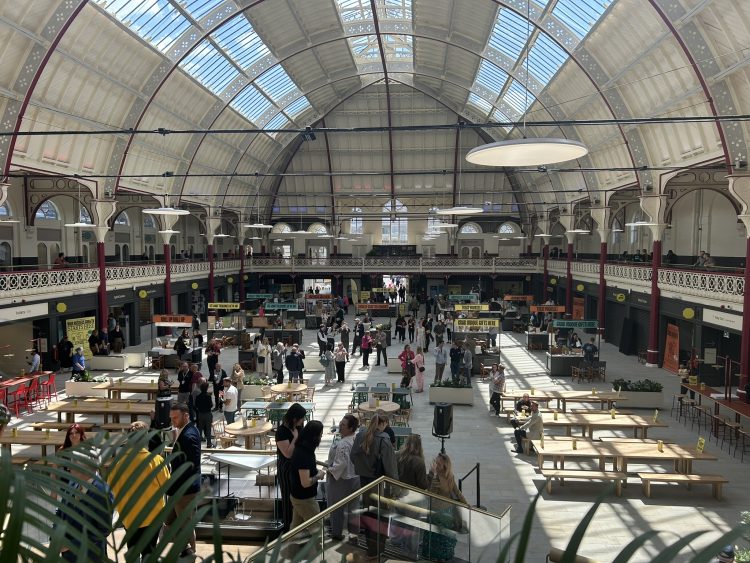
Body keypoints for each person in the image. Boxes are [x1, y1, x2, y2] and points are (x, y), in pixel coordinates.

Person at [109, 421, 171, 561]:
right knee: (149, 551)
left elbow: (112, 488)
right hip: (152, 516)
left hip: (129, 517)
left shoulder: (118, 464)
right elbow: (166, 485)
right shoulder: (155, 460)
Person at [350, 414, 399, 560]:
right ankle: (377, 549)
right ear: (382, 423)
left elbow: (353, 457)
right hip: (379, 484)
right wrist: (396, 489)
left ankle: (370, 548)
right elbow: (391, 467)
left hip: (364, 482)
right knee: (380, 516)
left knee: (367, 513)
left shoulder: (360, 435)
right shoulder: (384, 439)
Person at [57, 449, 114, 561]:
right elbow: (61, 510)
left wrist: (70, 544)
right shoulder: (73, 482)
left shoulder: (103, 494)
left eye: (72, 465)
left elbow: (102, 531)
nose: (68, 468)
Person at [165, 402, 201, 557]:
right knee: (169, 521)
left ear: (186, 416)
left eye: (176, 418)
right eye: (171, 418)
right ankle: (184, 550)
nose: (173, 421)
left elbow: (191, 465)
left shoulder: (189, 435)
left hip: (184, 491)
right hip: (177, 489)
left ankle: (189, 556)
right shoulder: (185, 430)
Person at [421, 452, 468, 561]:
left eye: (438, 463)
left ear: (444, 466)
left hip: (439, 512)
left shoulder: (441, 478)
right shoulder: (448, 476)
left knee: (437, 536)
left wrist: (467, 504)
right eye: (435, 462)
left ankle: (436, 556)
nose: (435, 465)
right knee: (442, 536)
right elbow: (456, 492)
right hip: (444, 512)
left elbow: (430, 494)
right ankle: (440, 557)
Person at [325, 414, 360, 541]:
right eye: (340, 423)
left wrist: (329, 470)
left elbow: (341, 464)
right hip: (356, 478)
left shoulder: (343, 444)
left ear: (350, 428)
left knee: (337, 509)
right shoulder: (356, 438)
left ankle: (337, 533)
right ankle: (354, 535)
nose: (340, 426)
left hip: (343, 480)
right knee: (354, 509)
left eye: (343, 425)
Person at [276, 403, 307, 532]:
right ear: (295, 418)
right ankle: (289, 529)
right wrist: (295, 438)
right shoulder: (282, 431)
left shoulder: (299, 428)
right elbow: (288, 454)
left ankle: (299, 527)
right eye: (302, 418)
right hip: (287, 468)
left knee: (299, 499)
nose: (303, 420)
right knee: (288, 499)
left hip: (298, 467)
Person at [290, 420, 324, 531]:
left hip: (297, 496)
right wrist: (319, 475)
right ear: (315, 437)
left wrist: (315, 471)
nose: (321, 437)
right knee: (318, 530)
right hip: (305, 499)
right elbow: (305, 483)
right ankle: (320, 549)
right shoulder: (305, 454)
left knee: (295, 530)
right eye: (320, 434)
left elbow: (305, 471)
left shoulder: (300, 448)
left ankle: (290, 548)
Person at [194, 381, 214, 447]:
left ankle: (198, 443)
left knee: (200, 429)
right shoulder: (208, 396)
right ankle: (209, 444)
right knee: (208, 429)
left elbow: (196, 405)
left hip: (200, 414)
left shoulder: (198, 396)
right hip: (208, 414)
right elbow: (211, 405)